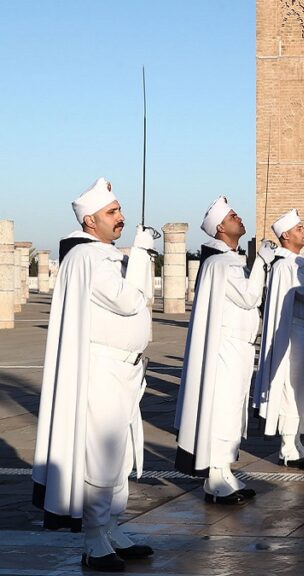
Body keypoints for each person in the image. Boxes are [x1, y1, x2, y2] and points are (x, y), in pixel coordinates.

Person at [33, 177, 156, 571]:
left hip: (123, 370)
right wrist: (140, 255)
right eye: (112, 212)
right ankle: (94, 540)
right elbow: (127, 300)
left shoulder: (100, 256)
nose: (121, 218)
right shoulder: (90, 258)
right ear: (90, 221)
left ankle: (111, 527)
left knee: (118, 456)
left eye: (119, 209)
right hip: (103, 369)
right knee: (102, 459)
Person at [175, 197, 269, 504]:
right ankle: (215, 477)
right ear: (219, 228)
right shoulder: (221, 263)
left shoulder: (229, 260)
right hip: (226, 348)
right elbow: (249, 297)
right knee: (223, 409)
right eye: (232, 216)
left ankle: (225, 470)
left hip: (239, 347)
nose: (239, 219)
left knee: (233, 409)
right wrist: (262, 264)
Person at [253, 209, 304, 468]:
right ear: (285, 235)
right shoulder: (285, 265)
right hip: (294, 336)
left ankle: (297, 440)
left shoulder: (298, 263)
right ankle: (287, 445)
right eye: (299, 228)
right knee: (290, 389)